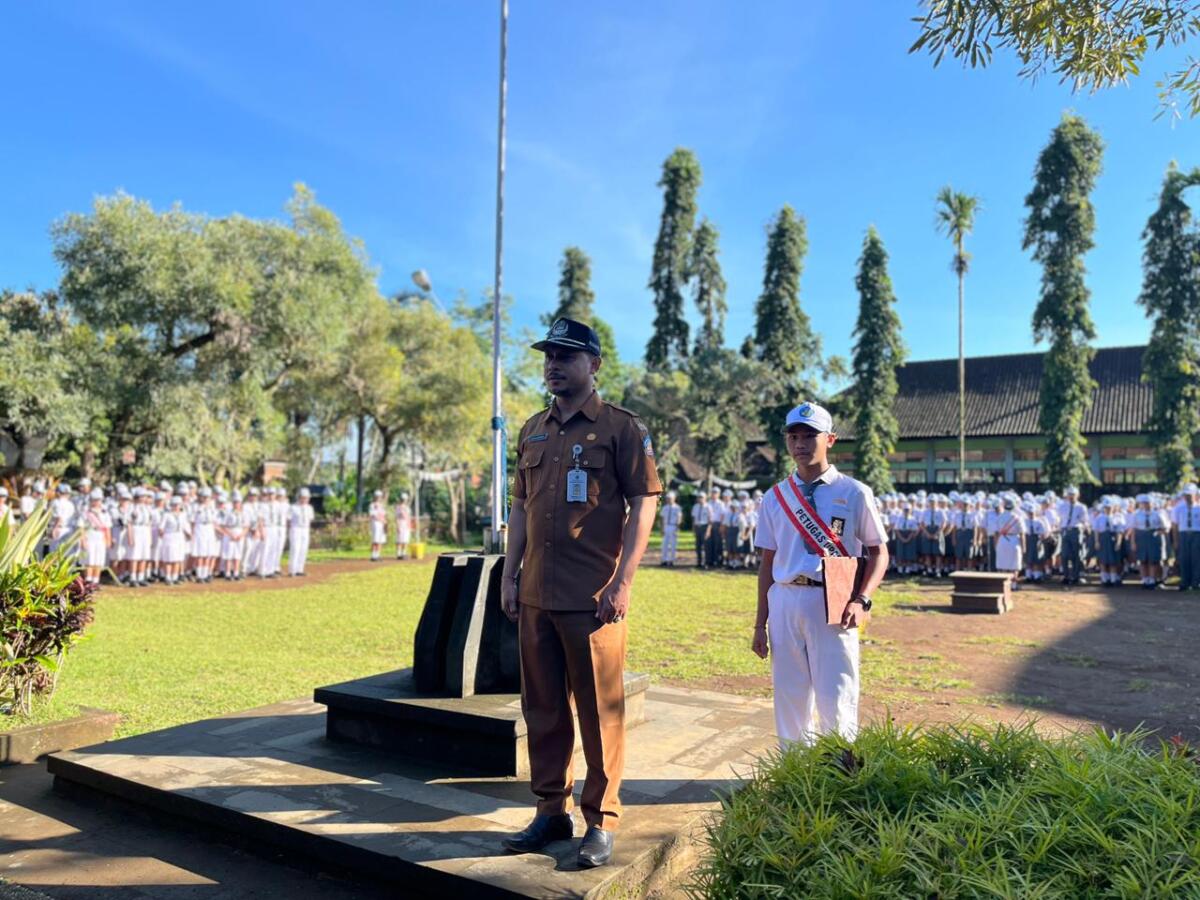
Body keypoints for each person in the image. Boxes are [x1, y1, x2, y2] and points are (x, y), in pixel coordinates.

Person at [499, 317, 661, 869]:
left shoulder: (621, 428)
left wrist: (624, 581)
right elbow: (521, 508)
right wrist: (509, 574)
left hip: (593, 599)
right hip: (537, 595)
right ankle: (551, 811)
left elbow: (644, 504)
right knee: (542, 709)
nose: (554, 365)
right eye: (549, 356)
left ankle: (601, 819)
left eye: (566, 356)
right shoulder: (532, 430)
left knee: (600, 714)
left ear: (593, 365)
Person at [751, 401, 888, 747]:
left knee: (836, 693)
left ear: (830, 439)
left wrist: (863, 600)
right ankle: (794, 767)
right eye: (793, 436)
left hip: (834, 599)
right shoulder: (775, 497)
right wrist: (759, 624)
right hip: (785, 598)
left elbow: (879, 552)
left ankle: (839, 767)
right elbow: (767, 562)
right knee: (789, 695)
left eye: (809, 436)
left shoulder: (853, 492)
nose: (800, 444)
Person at [80, 489, 111, 586]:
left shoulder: (105, 513)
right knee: (89, 560)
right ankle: (88, 581)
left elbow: (107, 528)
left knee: (99, 560)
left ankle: (96, 581)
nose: (97, 502)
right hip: (90, 536)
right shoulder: (86, 512)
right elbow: (81, 528)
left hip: (100, 537)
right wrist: (83, 540)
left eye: (99, 500)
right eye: (94, 500)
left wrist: (108, 539)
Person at [1059, 487, 1089, 585]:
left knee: (1077, 554)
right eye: (1069, 494)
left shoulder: (1081, 507)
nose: (1071, 496)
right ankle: (1066, 576)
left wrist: (1085, 529)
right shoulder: (1062, 506)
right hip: (1065, 530)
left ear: (1077, 495)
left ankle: (1075, 576)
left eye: (1073, 495)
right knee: (1064, 555)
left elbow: (1085, 520)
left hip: (1076, 530)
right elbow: (1060, 519)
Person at [1173, 484, 1200, 591]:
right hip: (1183, 534)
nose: (1188, 497)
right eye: (1186, 495)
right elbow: (1175, 525)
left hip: (1197, 534)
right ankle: (1184, 582)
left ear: (1195, 495)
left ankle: (1195, 582)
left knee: (1196, 559)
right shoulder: (1178, 508)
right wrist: (1176, 540)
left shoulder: (1198, 508)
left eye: (1190, 495)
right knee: (1184, 558)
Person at [288, 488, 314, 576]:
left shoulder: (309, 508)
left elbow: (310, 519)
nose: (304, 500)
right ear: (299, 497)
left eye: (306, 498)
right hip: (296, 528)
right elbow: (288, 520)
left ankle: (300, 569)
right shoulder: (293, 507)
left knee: (304, 549)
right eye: (302, 497)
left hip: (305, 529)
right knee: (295, 549)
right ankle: (292, 570)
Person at [659, 490, 681, 566]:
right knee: (664, 544)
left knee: (673, 544)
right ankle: (664, 560)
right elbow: (662, 519)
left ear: (674, 498)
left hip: (673, 526)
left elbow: (679, 518)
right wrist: (662, 528)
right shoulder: (665, 508)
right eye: (668, 498)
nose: (668, 500)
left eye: (670, 498)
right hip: (666, 526)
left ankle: (671, 560)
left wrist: (677, 528)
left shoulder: (677, 508)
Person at [691, 491, 710, 568]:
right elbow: (694, 519)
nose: (700, 499)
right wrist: (693, 528)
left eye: (702, 497)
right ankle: (699, 562)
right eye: (699, 497)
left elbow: (710, 520)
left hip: (704, 527)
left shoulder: (708, 507)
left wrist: (708, 531)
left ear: (705, 498)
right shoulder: (695, 507)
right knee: (698, 546)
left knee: (705, 546)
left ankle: (706, 563)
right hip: (697, 527)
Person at [368, 490, 387, 561]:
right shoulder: (372, 505)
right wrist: (381, 519)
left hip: (381, 523)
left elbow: (384, 514)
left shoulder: (382, 505)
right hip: (376, 523)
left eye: (380, 496)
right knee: (375, 539)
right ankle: (373, 555)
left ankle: (378, 555)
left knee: (380, 540)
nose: (378, 498)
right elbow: (372, 515)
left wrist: (384, 522)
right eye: (377, 496)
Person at [394, 492, 413, 560]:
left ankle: (403, 553)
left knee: (405, 540)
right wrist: (398, 526)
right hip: (401, 523)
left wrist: (410, 525)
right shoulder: (398, 508)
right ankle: (398, 554)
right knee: (399, 539)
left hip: (406, 524)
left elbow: (409, 517)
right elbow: (397, 517)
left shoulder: (407, 508)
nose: (404, 500)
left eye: (405, 499)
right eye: (402, 499)